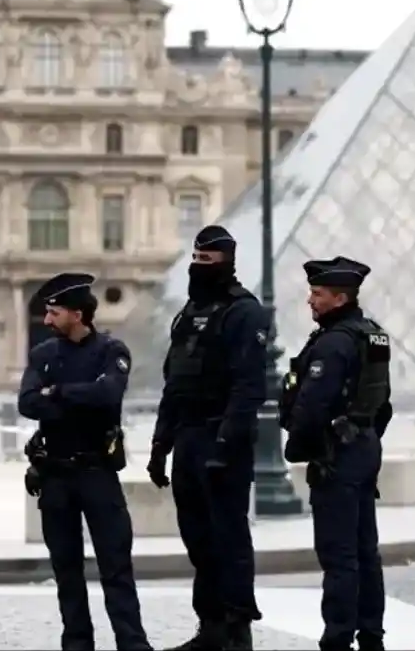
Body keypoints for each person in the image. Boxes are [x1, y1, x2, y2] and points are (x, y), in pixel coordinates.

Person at [147, 225, 268, 651]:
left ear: (226, 263)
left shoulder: (244, 312)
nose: (198, 268)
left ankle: (237, 631)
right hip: (188, 437)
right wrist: (160, 445)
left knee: (228, 538)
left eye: (207, 262)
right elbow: (174, 382)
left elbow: (248, 387)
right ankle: (211, 627)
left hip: (223, 439)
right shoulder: (187, 314)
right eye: (194, 260)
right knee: (197, 538)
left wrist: (225, 445)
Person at [18, 272, 151, 651]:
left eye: (54, 312)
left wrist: (56, 393)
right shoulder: (43, 354)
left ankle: (132, 643)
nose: (46, 320)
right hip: (55, 475)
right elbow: (27, 403)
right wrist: (79, 396)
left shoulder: (112, 351)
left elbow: (109, 394)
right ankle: (77, 644)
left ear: (77, 314)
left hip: (97, 473)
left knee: (116, 567)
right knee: (66, 570)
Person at [279, 256, 393, 651]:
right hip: (363, 450)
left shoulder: (333, 343)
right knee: (366, 551)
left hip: (337, 456)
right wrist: (364, 437)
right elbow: (384, 404)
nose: (310, 300)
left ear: (340, 297)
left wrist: (299, 448)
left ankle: (338, 637)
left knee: (338, 553)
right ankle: (372, 634)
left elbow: (312, 406)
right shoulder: (373, 335)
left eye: (317, 293)